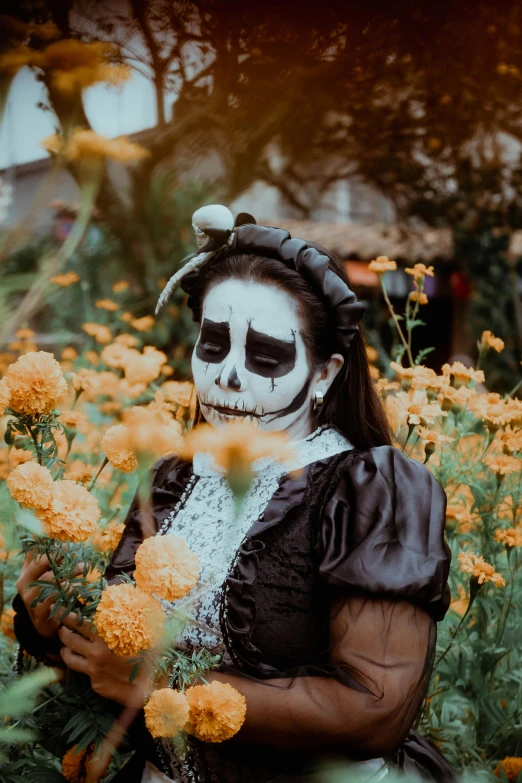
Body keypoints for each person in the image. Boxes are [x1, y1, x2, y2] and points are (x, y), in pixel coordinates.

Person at [13, 210, 456, 783]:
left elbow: (374, 709)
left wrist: (162, 685)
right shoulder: (175, 476)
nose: (227, 375)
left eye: (266, 355)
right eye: (214, 344)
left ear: (325, 373)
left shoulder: (373, 488)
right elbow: (114, 678)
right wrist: (56, 629)